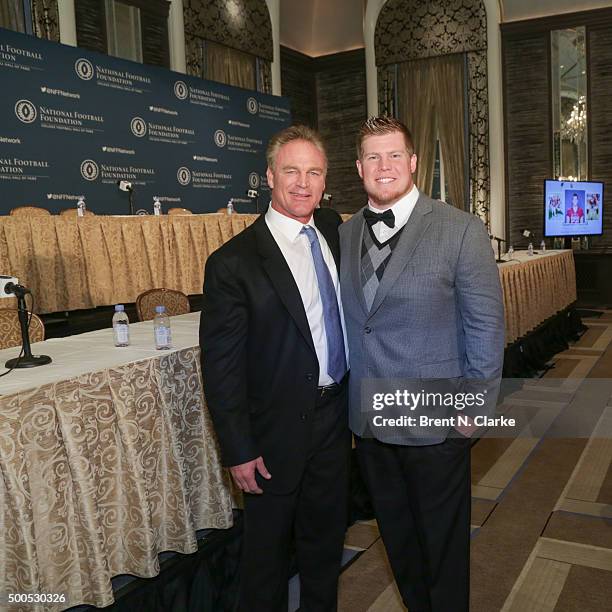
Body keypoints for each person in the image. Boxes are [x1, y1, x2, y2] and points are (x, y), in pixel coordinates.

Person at [338, 116, 504, 612]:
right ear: (359, 167)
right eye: (372, 156)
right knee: (399, 544)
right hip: (369, 423)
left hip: (437, 423)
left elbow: (486, 327)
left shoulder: (460, 230)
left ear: (413, 163)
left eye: (394, 155)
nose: (383, 166)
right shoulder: (344, 235)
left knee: (443, 549)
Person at [200, 125, 350, 612]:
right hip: (272, 438)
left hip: (334, 421)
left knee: (325, 550)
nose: (303, 183)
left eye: (314, 172)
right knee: (265, 565)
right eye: (291, 171)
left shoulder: (331, 228)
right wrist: (238, 449)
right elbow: (221, 367)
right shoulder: (232, 263)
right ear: (269, 177)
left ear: (325, 180)